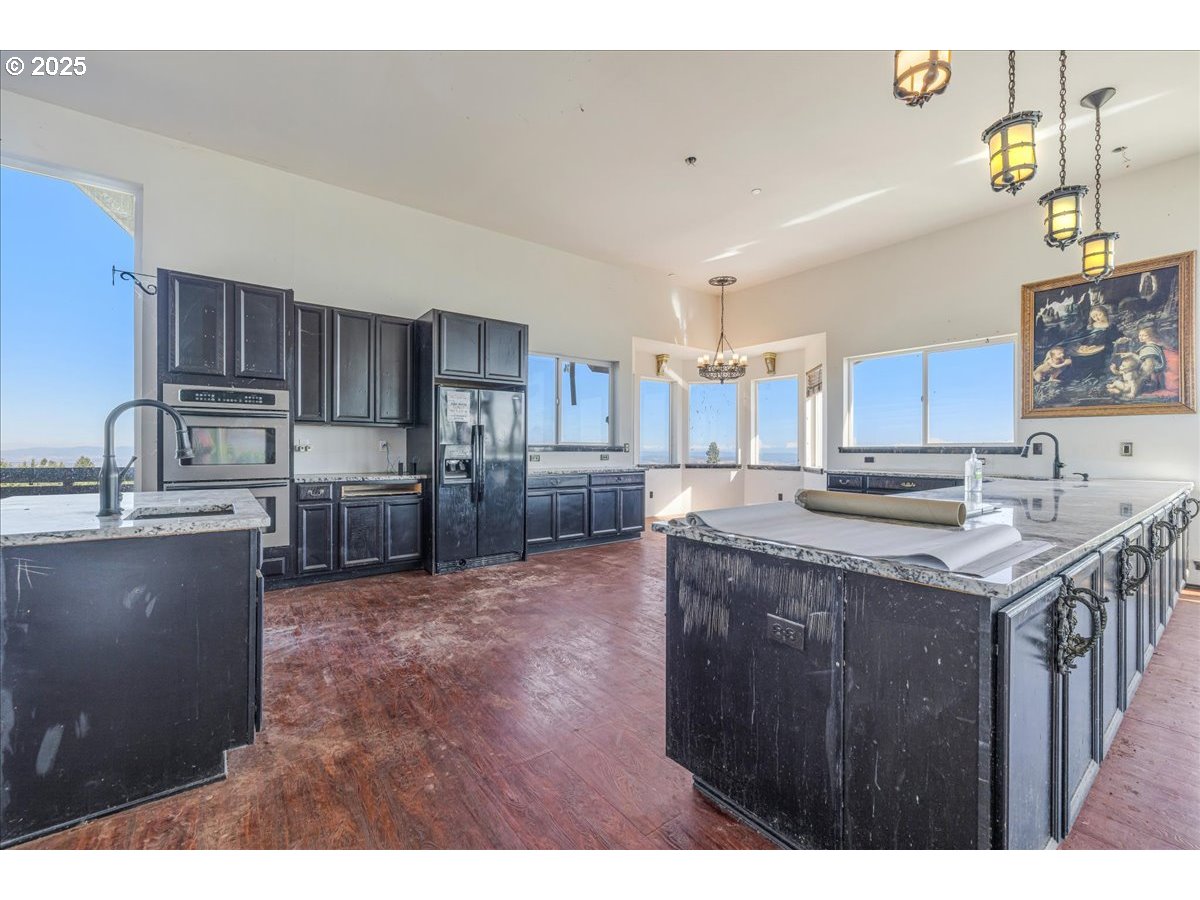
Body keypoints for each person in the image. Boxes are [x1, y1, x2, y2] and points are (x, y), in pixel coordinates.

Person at [1133, 324, 1167, 392]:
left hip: (1151, 376)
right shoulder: (1152, 346)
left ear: (1152, 336)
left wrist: (1140, 379)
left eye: (1144, 335)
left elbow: (1149, 366)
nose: (1141, 337)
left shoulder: (1149, 348)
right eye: (1140, 335)